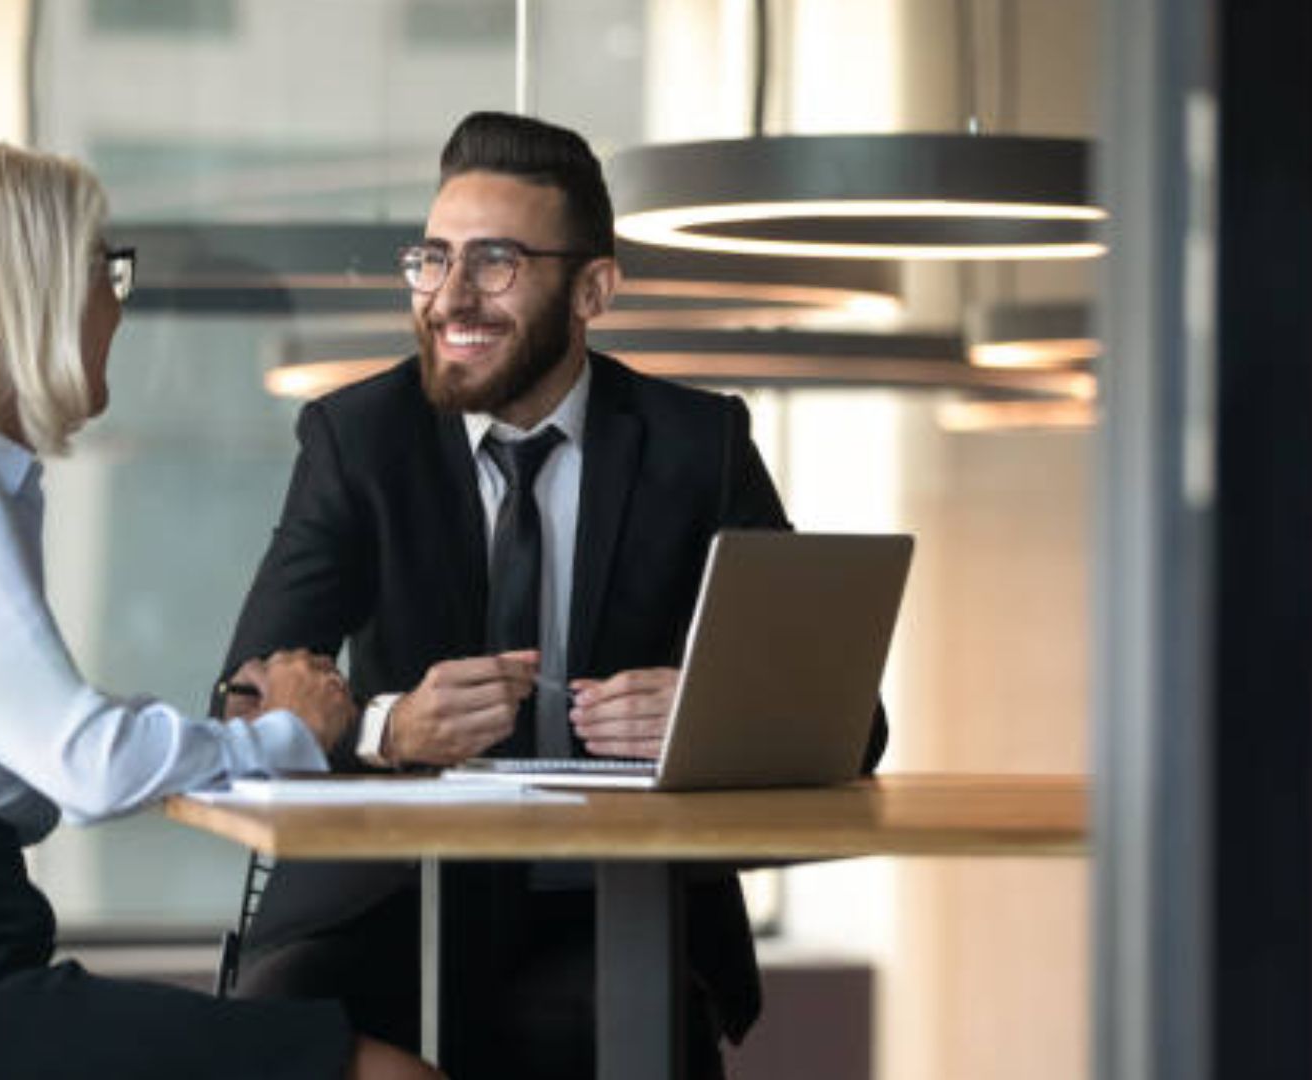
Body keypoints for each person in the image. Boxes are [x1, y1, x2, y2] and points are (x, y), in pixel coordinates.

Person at [0, 140, 439, 1080]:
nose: (116, 302)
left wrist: (190, 734)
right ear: (29, 290)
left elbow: (37, 765)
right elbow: (84, 769)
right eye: (104, 270)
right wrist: (285, 738)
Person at [214, 112, 889, 1078]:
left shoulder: (699, 446)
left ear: (593, 289)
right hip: (384, 902)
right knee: (283, 1030)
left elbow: (851, 724)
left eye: (495, 263)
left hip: (617, 906)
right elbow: (238, 699)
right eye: (434, 259)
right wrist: (388, 727)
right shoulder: (358, 440)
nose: (452, 297)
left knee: (623, 1025)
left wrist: (709, 714)